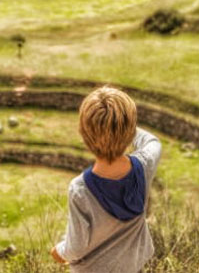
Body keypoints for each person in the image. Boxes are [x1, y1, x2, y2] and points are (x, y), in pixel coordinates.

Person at [51, 86, 162, 273]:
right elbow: (152, 142)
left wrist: (58, 251)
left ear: (84, 135)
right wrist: (121, 126)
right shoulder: (144, 166)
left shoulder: (80, 190)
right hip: (133, 267)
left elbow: (76, 247)